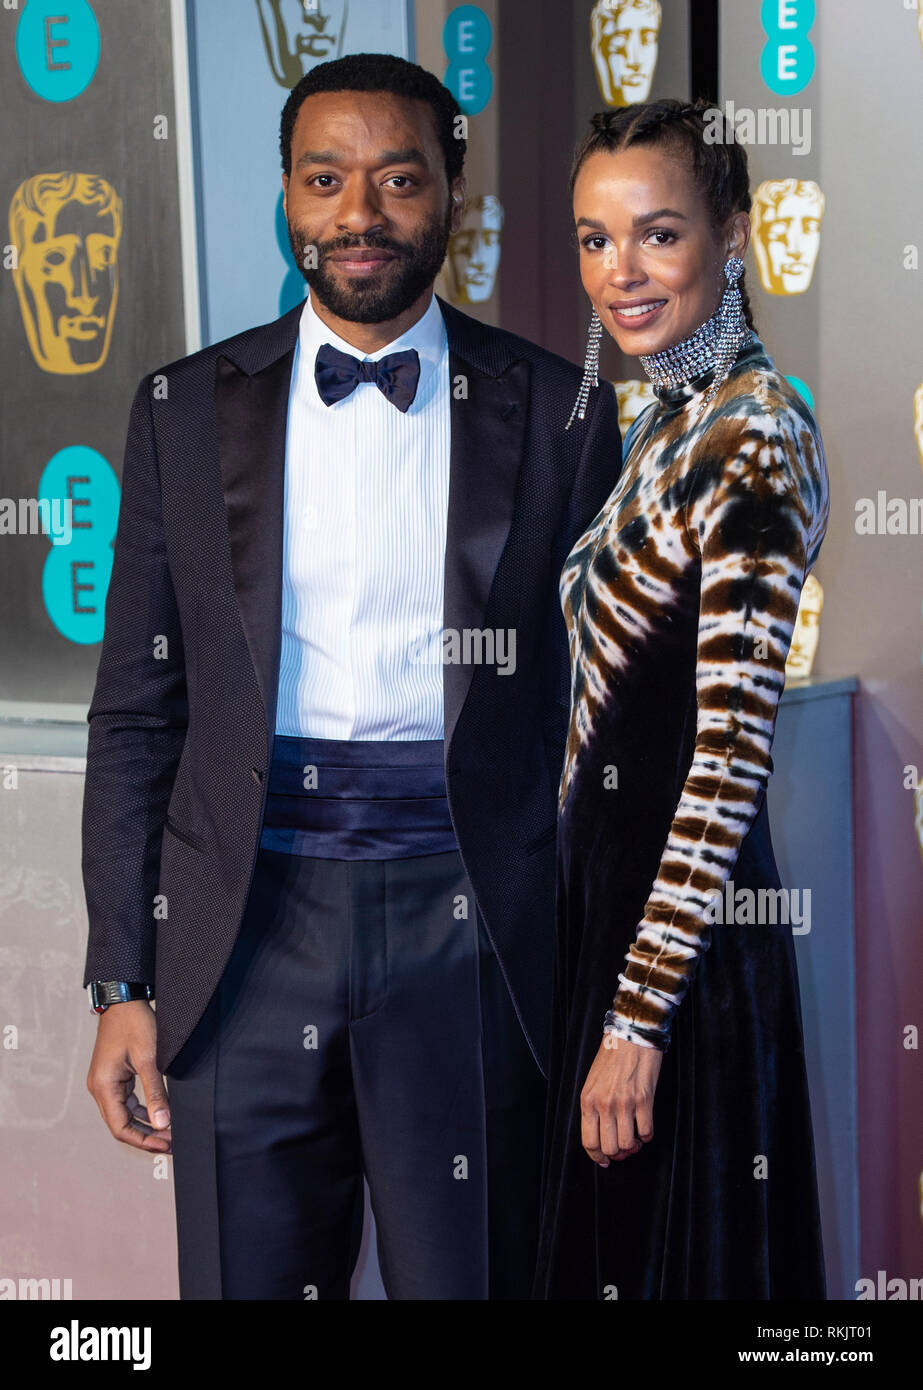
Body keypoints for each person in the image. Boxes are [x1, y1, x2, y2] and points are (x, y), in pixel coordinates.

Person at [81, 52, 621, 1300]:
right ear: (284, 195)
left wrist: (615, 992)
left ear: (453, 196)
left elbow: (603, 724)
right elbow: (136, 713)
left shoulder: (561, 411)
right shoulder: (178, 407)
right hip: (242, 932)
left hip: (471, 925)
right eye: (325, 180)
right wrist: (122, 976)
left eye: (396, 179)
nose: (359, 214)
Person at [534, 99, 829, 1300]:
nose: (620, 273)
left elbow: (724, 756)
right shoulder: (663, 420)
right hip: (616, 916)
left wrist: (635, 1020)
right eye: (594, 241)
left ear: (733, 235)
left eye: (656, 234)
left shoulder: (752, 436)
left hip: (679, 957)